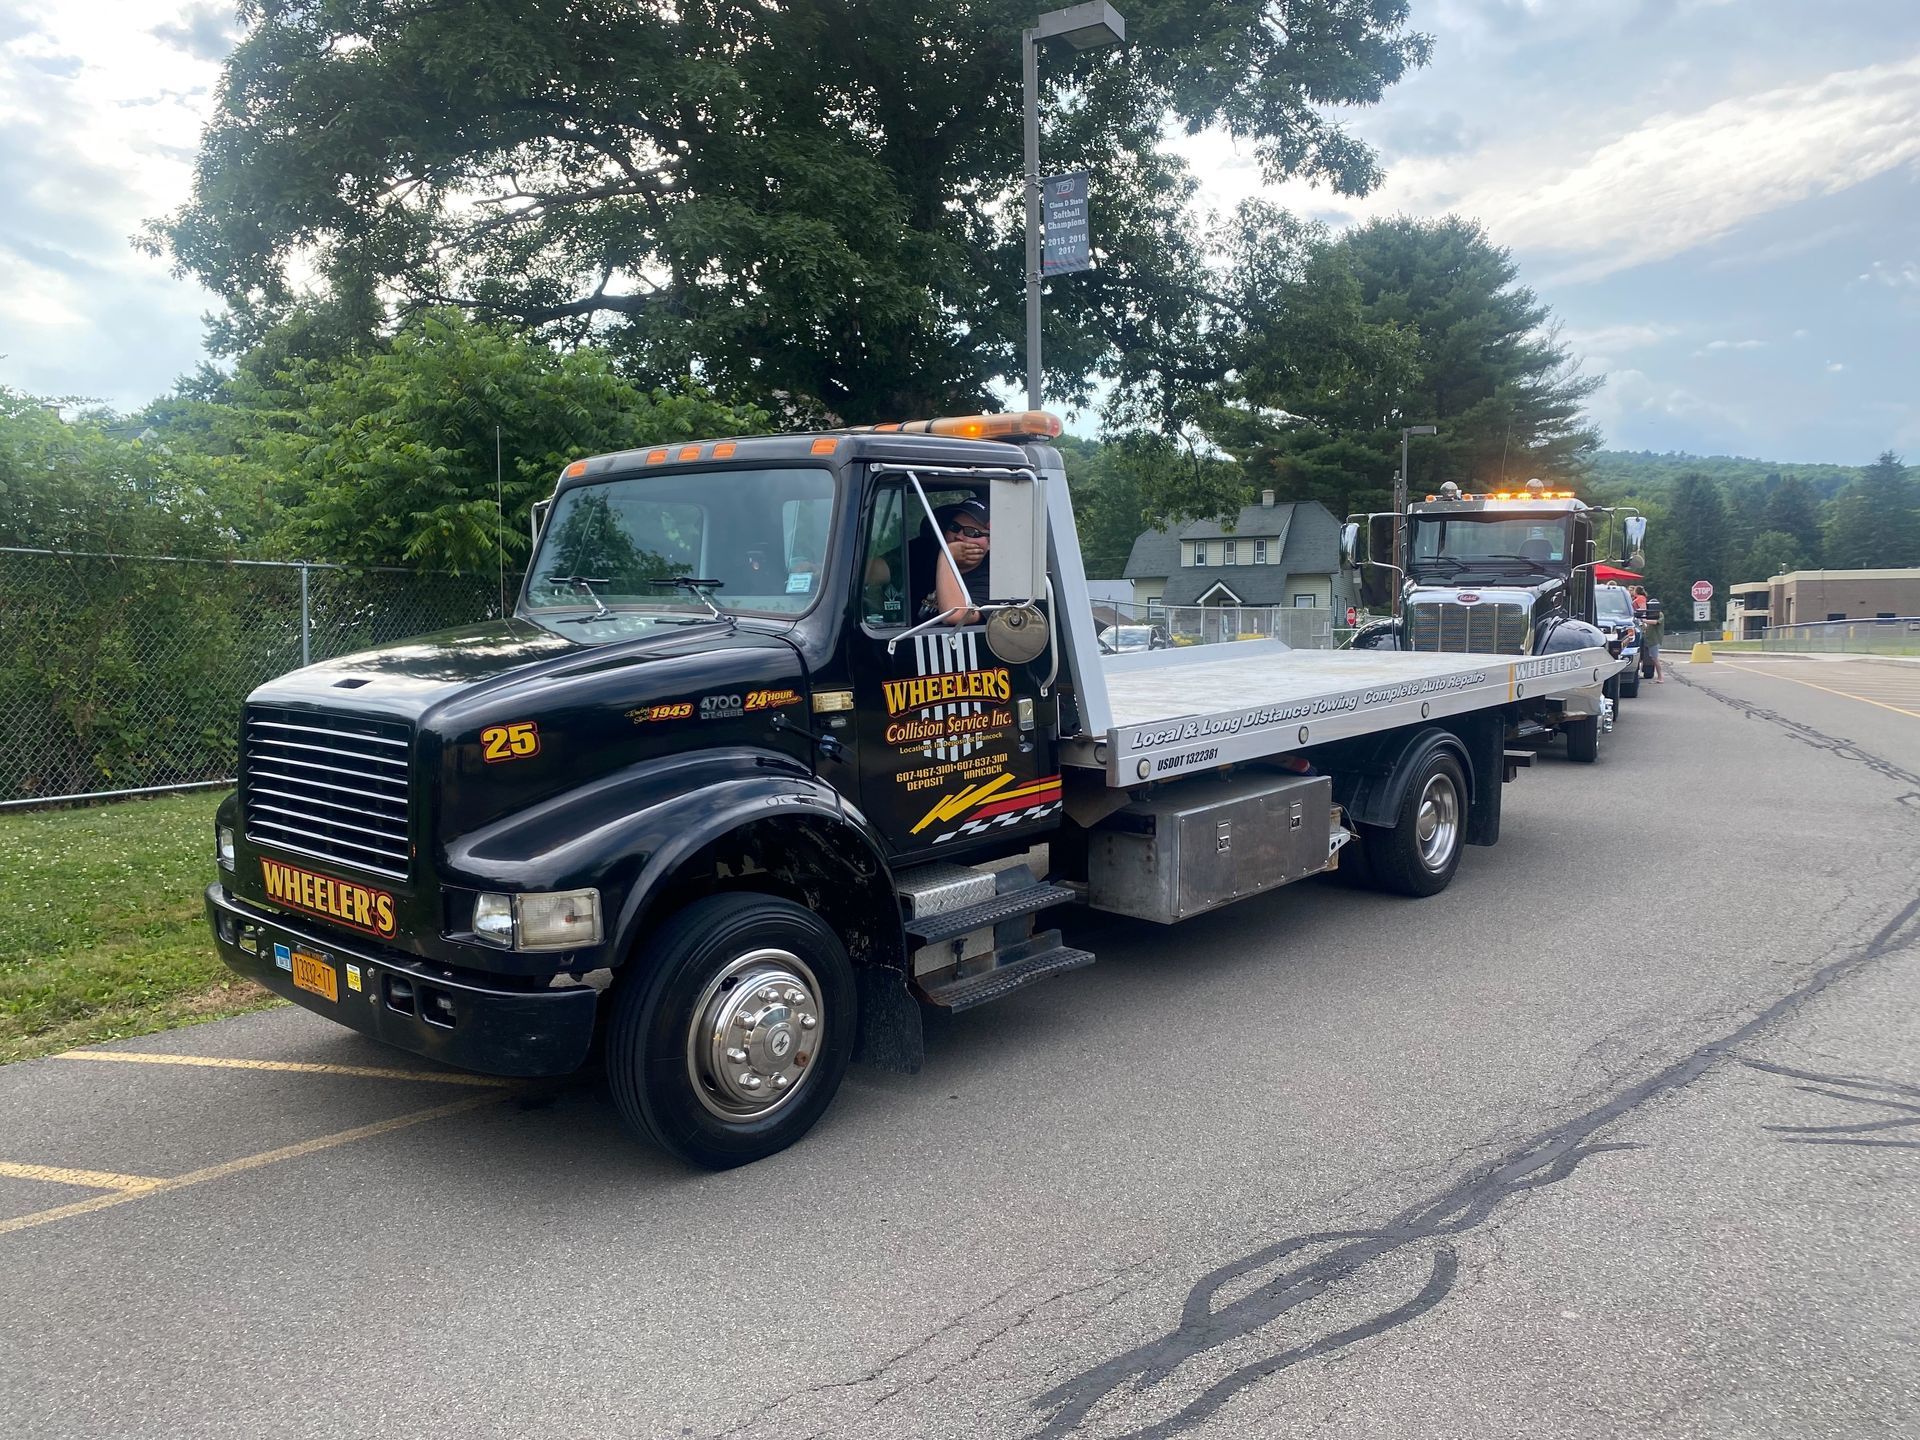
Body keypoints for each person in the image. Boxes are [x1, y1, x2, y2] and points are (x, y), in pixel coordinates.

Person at [911, 498, 991, 624]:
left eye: (972, 532)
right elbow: (874, 571)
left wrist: (947, 556)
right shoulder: (926, 553)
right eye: (954, 527)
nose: (958, 536)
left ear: (991, 543)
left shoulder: (992, 584)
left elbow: (955, 616)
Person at [1642, 596, 1664, 683]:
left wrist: (1644, 620)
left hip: (1655, 639)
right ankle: (1659, 677)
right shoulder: (1650, 614)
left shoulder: (1660, 614)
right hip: (1650, 639)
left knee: (1655, 659)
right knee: (1653, 659)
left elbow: (1656, 622)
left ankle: (1660, 677)